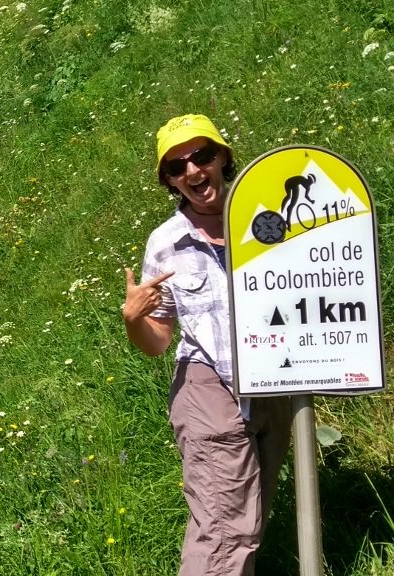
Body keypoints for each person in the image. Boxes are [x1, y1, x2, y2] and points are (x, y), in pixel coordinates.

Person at [122, 114, 293, 576]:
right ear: (170, 183)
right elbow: (157, 340)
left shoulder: (271, 218)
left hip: (277, 377)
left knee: (250, 511)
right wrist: (133, 320)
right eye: (177, 167)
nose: (193, 171)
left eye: (201, 156)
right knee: (225, 527)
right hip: (208, 383)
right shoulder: (166, 243)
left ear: (222, 158)